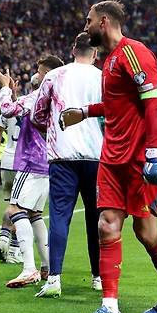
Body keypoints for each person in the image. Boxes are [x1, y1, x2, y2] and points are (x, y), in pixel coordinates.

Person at [61, 0, 157, 313]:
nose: (85, 26)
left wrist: (156, 152)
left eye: (88, 20)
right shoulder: (111, 60)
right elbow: (117, 104)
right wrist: (86, 111)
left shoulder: (135, 53)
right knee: (107, 224)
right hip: (112, 158)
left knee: (146, 233)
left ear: (103, 21)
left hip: (140, 159)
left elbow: (154, 105)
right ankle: (110, 308)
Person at [31, 32, 103, 298]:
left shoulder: (55, 76)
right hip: (96, 156)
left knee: (60, 216)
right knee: (96, 218)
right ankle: (98, 277)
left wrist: (52, 133)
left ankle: (54, 279)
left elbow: (37, 113)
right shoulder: (102, 77)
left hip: (62, 155)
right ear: (95, 53)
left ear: (73, 49)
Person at [0, 56, 64, 288]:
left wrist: (5, 88)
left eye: (39, 70)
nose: (35, 74)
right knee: (34, 214)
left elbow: (6, 110)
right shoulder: (59, 97)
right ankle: (47, 266)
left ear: (46, 74)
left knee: (15, 208)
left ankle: (28, 269)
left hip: (30, 160)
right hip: (48, 161)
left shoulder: (38, 94)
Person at [0, 76, 22, 263]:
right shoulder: (32, 108)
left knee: (11, 204)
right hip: (25, 163)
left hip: (7, 162)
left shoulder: (6, 113)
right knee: (24, 209)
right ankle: (15, 250)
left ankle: (3, 238)